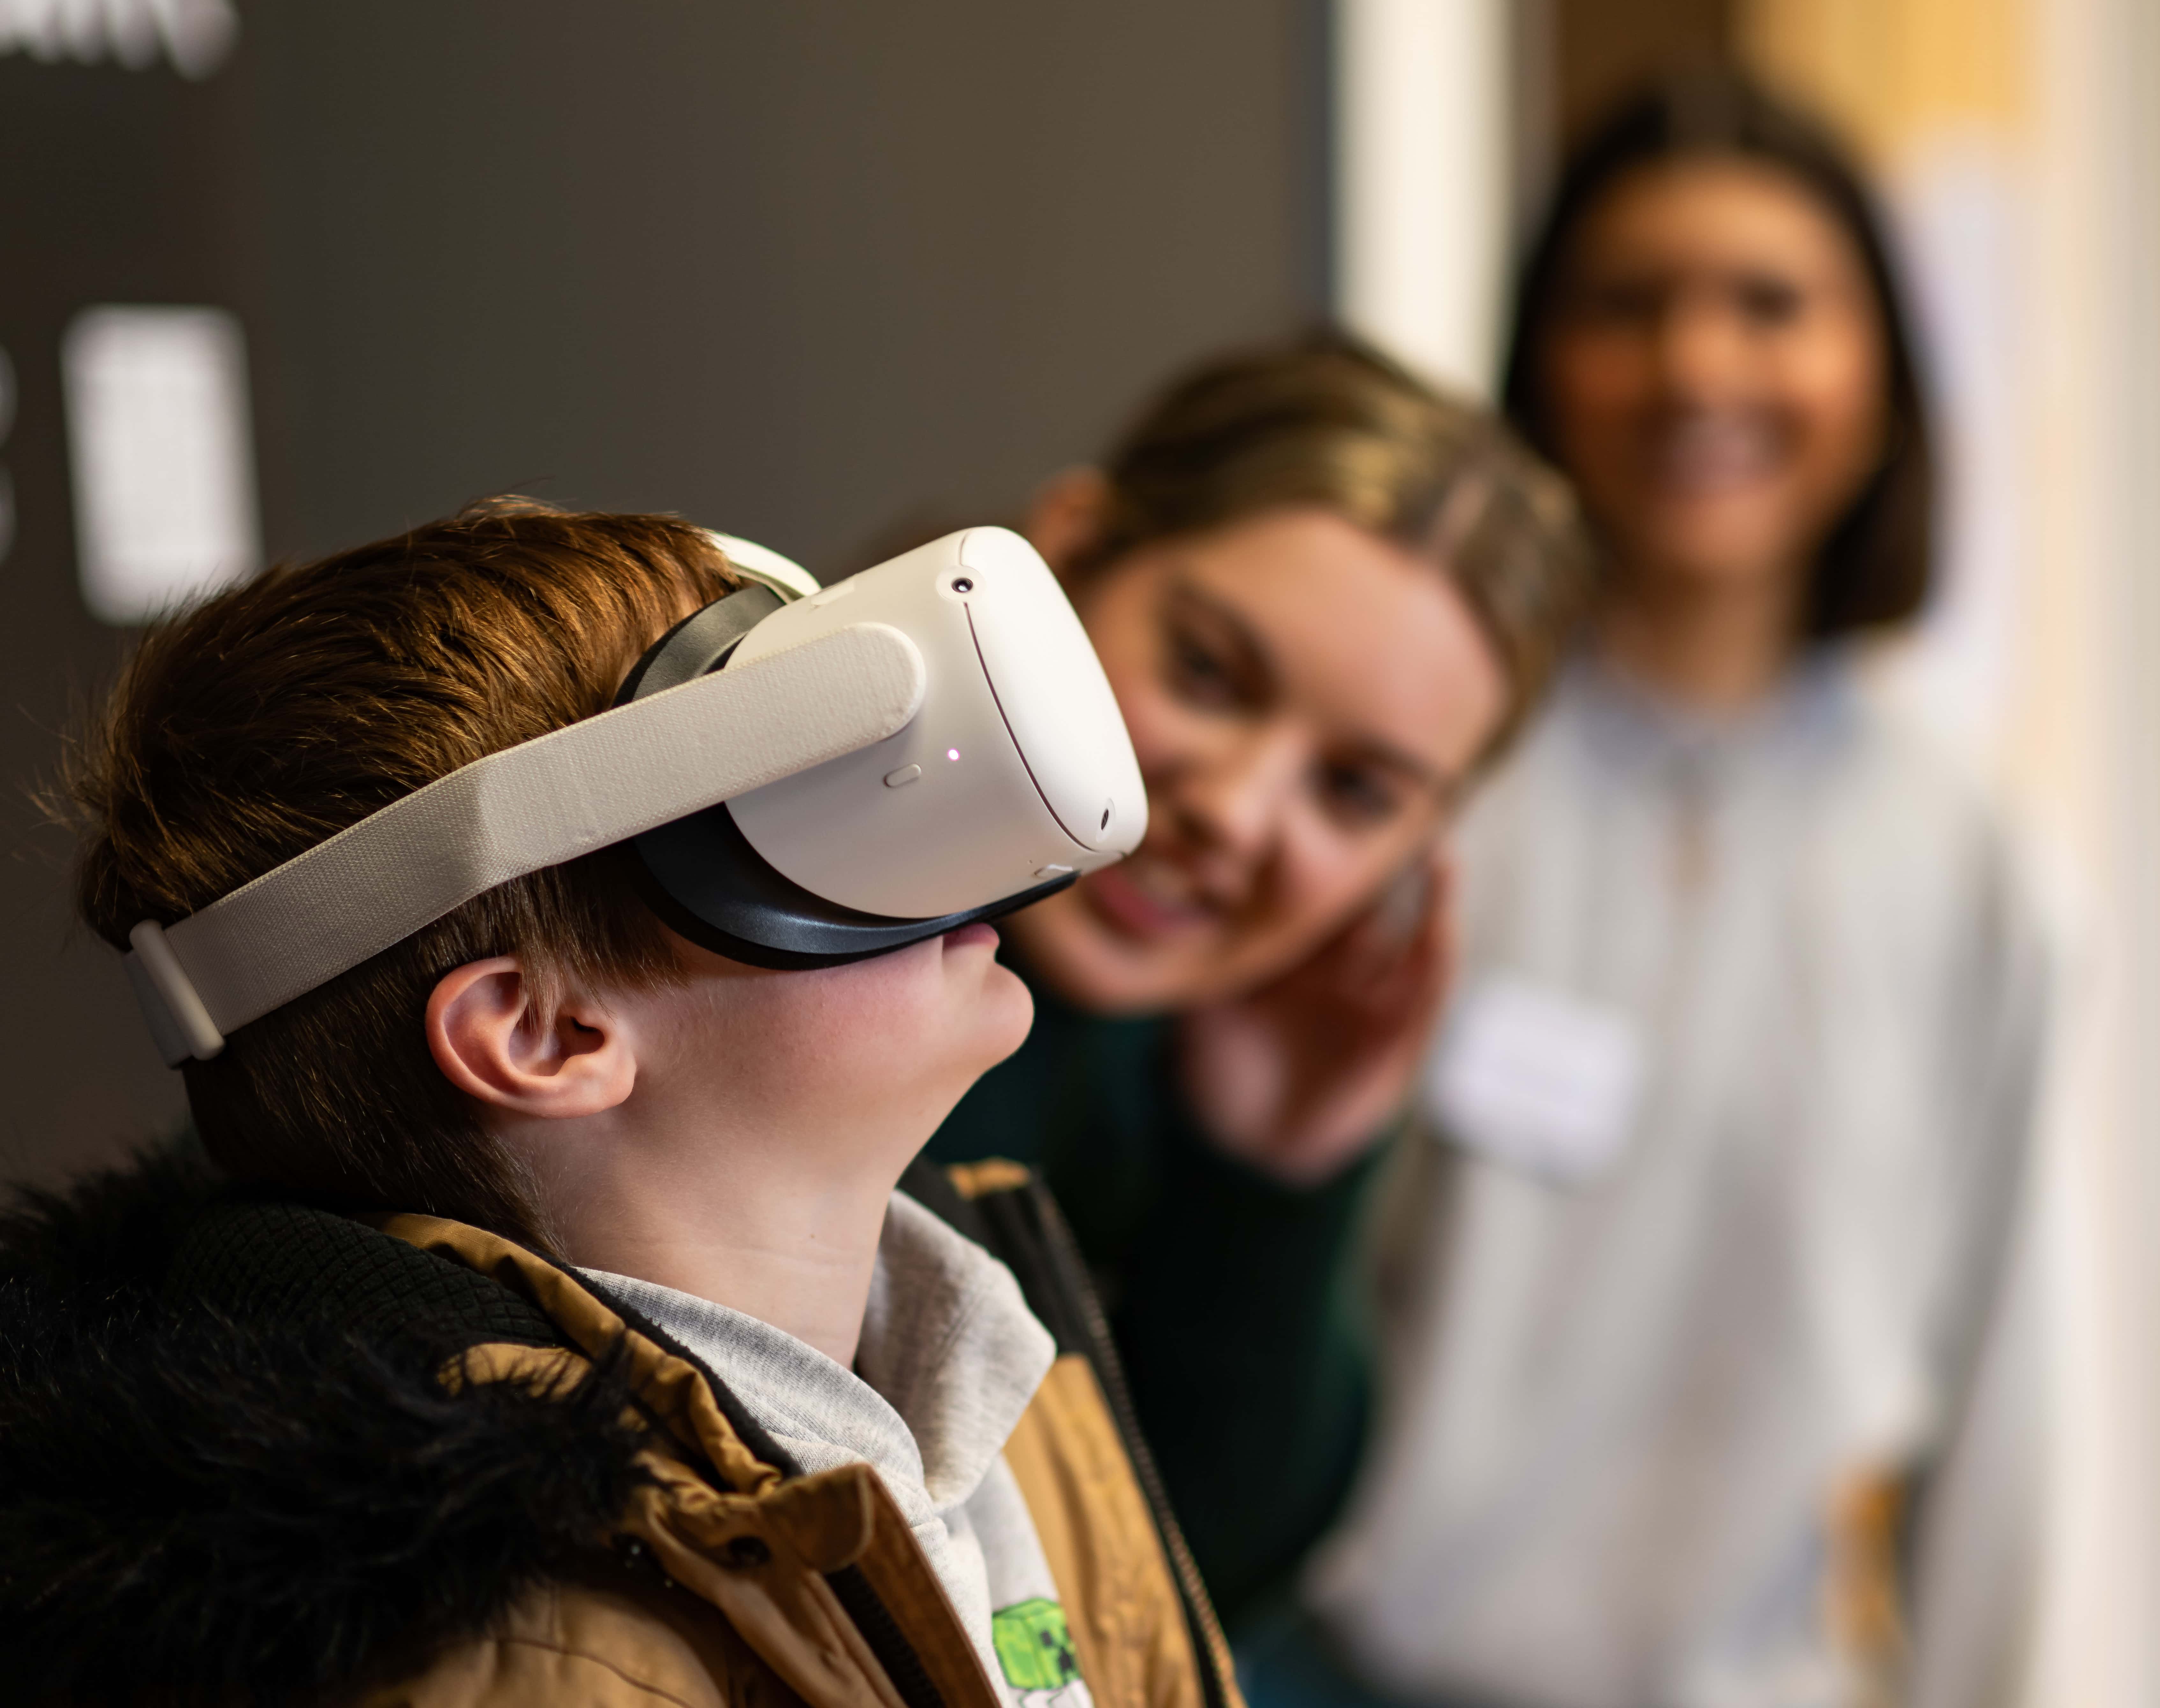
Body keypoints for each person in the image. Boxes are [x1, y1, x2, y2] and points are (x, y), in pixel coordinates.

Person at [0, 499, 1239, 1707]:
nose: (934, 864)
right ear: (546, 1031)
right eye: (787, 812)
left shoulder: (987, 1381)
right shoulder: (520, 1648)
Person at [1286, 76, 2052, 1708]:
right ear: (1541, 366)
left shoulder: (1965, 853)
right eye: (1630, 307)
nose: (1700, 366)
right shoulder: (1407, 780)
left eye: (1772, 306)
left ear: (1882, 377)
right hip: (1348, 1673)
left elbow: (2006, 1377)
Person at [926, 336, 1591, 1629]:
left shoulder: (1170, 1069)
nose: (1233, 812)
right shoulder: (706, 864)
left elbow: (1183, 1580)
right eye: (1209, 673)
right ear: (1063, 549)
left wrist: (1275, 1178)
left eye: (1355, 791)